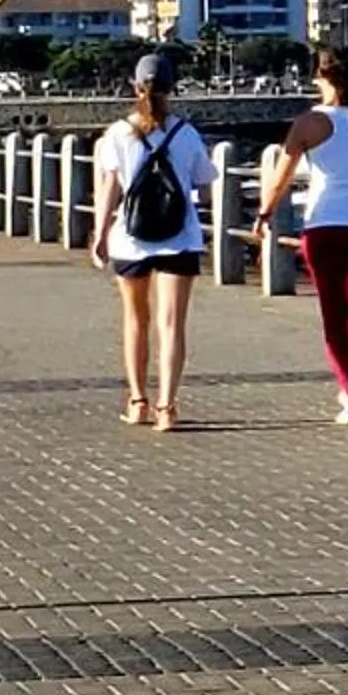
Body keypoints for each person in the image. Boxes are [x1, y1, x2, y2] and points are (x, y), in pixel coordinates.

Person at [254, 46, 348, 421]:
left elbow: (281, 175)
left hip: (324, 223)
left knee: (333, 312)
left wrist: (265, 212)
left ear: (321, 79)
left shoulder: (307, 124)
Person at [91, 50, 215, 431]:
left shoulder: (117, 134)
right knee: (172, 324)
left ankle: (138, 401)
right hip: (179, 238)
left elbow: (110, 189)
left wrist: (99, 234)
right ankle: (167, 408)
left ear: (134, 86)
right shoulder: (186, 133)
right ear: (173, 88)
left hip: (131, 238)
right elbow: (206, 187)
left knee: (135, 320)